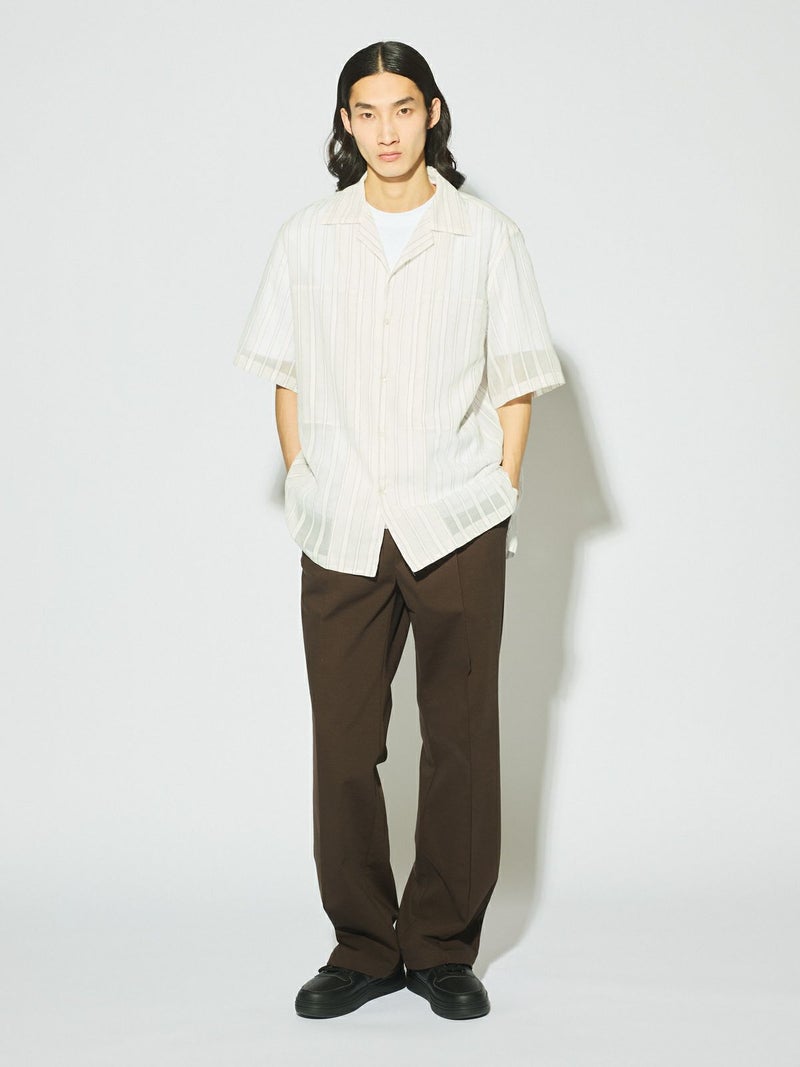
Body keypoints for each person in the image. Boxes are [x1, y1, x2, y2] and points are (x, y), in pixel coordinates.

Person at [233, 40, 565, 1021]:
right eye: (367, 112)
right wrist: (307, 481)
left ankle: (442, 947)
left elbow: (514, 380)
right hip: (341, 521)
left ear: (433, 113)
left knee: (460, 740)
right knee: (342, 746)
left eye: (403, 109)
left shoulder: (485, 237)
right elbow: (286, 376)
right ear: (346, 123)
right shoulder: (306, 238)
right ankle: (362, 945)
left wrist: (495, 489)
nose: (386, 130)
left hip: (454, 516)